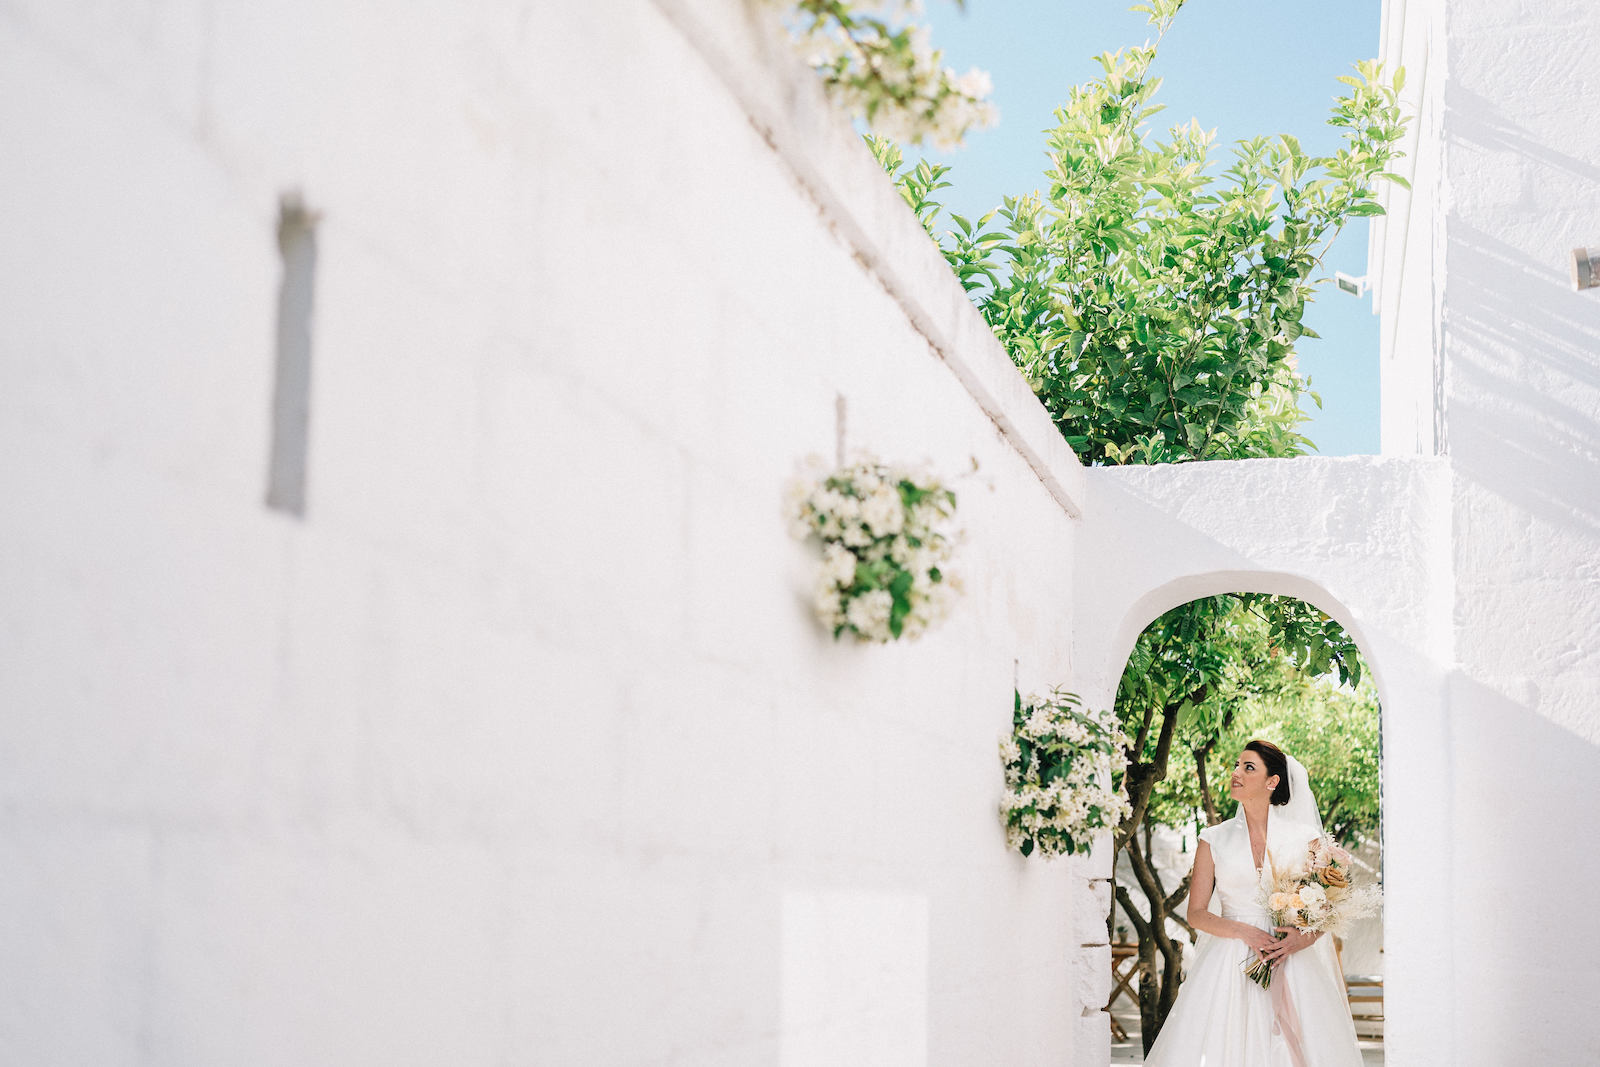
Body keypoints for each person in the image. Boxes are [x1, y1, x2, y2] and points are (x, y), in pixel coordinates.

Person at [1142, 739, 1364, 1067]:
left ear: (1272, 781)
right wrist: (1246, 932)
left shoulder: (1307, 838)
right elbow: (1197, 914)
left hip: (1289, 960)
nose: (1236, 773)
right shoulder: (1212, 838)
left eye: (1248, 768)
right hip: (1228, 961)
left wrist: (1298, 941)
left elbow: (1324, 909)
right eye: (1236, 765)